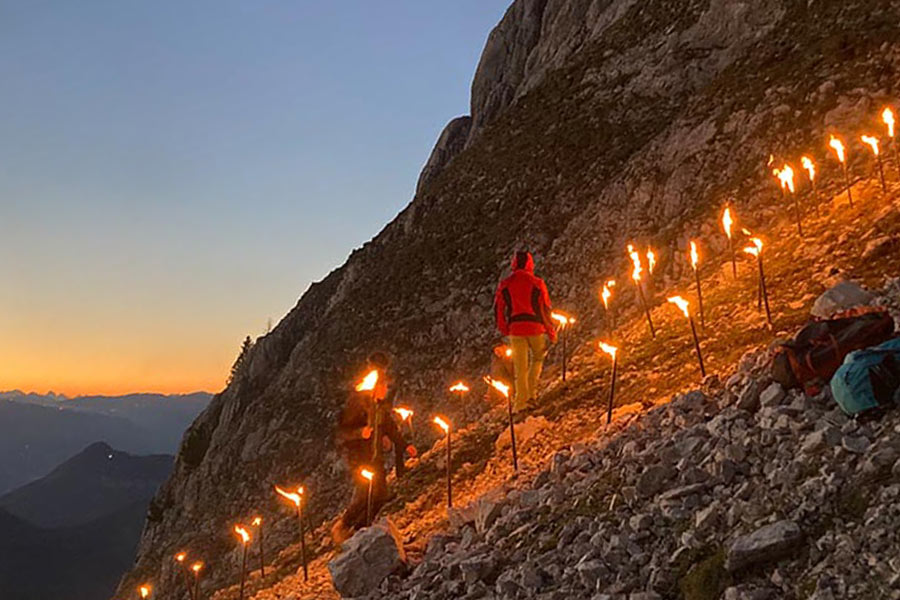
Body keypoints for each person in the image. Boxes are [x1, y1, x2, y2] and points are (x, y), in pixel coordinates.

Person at [332, 352, 413, 545]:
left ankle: (361, 529)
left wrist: (405, 445)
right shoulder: (357, 403)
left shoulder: (380, 407)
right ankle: (343, 526)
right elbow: (342, 432)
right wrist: (360, 433)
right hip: (358, 456)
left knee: (381, 495)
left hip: (375, 456)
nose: (387, 389)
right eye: (384, 386)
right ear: (376, 387)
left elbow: (390, 428)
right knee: (364, 493)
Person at [494, 251, 557, 411]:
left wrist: (504, 328)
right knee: (537, 359)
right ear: (530, 264)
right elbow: (545, 309)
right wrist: (550, 330)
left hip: (515, 329)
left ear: (514, 264)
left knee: (520, 368)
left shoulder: (505, 284)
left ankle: (519, 404)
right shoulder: (537, 283)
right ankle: (531, 395)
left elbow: (499, 308)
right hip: (536, 328)